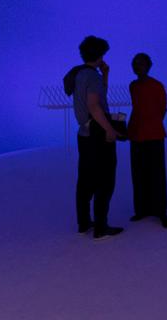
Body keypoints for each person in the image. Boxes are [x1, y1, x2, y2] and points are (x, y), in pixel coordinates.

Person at [63, 35, 123, 240]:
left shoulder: (79, 74)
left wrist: (105, 75)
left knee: (86, 179)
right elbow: (94, 106)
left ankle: (83, 223)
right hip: (98, 135)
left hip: (84, 134)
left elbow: (96, 96)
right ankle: (101, 227)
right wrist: (109, 130)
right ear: (100, 54)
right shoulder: (92, 77)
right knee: (105, 180)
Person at [128, 53, 167, 229]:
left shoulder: (157, 86)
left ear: (148, 66)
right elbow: (137, 109)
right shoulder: (133, 86)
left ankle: (161, 211)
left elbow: (162, 109)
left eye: (140, 63)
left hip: (154, 135)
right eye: (135, 63)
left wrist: (151, 123)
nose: (137, 66)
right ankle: (142, 209)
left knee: (157, 175)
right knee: (138, 173)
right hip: (137, 135)